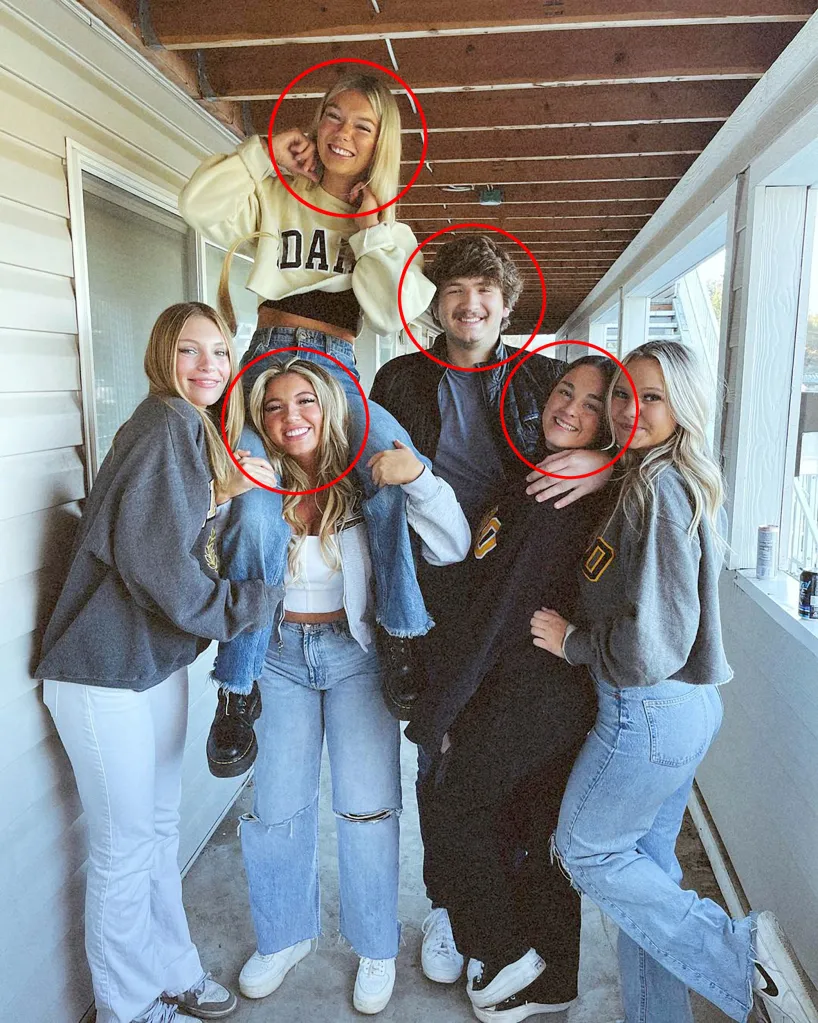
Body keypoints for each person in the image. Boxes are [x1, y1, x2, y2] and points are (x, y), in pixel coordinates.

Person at [530, 340, 818, 1023]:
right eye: (624, 393)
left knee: (585, 849)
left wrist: (572, 641)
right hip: (684, 711)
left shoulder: (658, 488)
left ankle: (738, 953)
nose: (632, 407)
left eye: (651, 397)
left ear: (680, 406)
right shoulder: (656, 476)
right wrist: (605, 467)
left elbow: (651, 645)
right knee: (647, 877)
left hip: (645, 712)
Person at [178, 71, 438, 775]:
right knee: (257, 508)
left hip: (341, 369)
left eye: (363, 125)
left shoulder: (383, 223)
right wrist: (262, 155)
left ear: (381, 142)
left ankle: (402, 636)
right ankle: (238, 688)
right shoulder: (276, 190)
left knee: (391, 468)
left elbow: (393, 312)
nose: (343, 134)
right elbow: (198, 206)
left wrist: (379, 226)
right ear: (314, 123)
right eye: (333, 117)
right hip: (270, 360)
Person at [370, 234, 613, 984]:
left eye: (487, 292)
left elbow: (623, 424)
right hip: (436, 580)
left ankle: (498, 907)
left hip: (520, 565)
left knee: (501, 762)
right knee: (438, 748)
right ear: (437, 301)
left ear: (508, 305)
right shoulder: (401, 378)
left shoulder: (545, 377)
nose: (470, 304)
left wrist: (600, 461)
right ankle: (449, 905)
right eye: (457, 290)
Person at [36, 303, 283, 1023]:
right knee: (121, 848)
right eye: (189, 351)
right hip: (101, 671)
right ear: (160, 357)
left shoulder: (190, 427)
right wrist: (250, 602)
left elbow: (165, 526)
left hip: (150, 665)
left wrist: (219, 495)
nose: (208, 364)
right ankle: (128, 1004)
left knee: (159, 828)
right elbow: (158, 567)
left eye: (219, 350)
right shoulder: (162, 424)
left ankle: (171, 970)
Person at [232, 358, 469, 1015]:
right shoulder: (257, 485)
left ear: (330, 405)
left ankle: (374, 946)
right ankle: (283, 935)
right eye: (273, 407)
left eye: (304, 400)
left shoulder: (371, 476)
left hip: (357, 655)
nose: (290, 417)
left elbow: (452, 542)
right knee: (276, 805)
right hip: (279, 656)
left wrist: (418, 476)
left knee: (367, 808)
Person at [405, 356, 616, 1022]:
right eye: (563, 392)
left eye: (590, 404)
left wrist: (442, 709)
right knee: (533, 825)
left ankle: (500, 951)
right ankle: (554, 978)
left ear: (611, 423)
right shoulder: (542, 478)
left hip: (530, 693)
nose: (569, 409)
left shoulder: (555, 497)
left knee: (454, 801)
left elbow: (496, 616)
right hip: (543, 690)